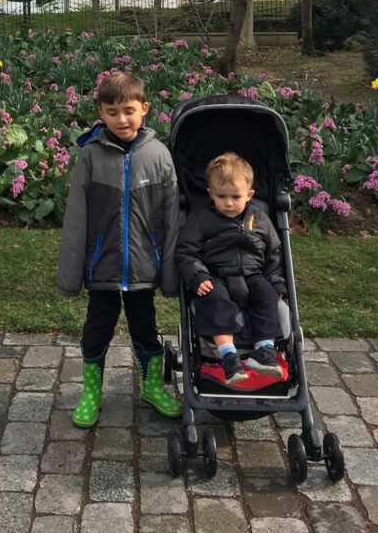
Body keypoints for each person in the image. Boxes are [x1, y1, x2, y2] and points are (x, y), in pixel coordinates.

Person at [57, 71, 182, 428]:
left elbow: (172, 218)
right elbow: (76, 218)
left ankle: (152, 386)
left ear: (144, 109)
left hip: (144, 267)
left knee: (145, 327)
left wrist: (170, 272)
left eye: (129, 110)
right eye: (112, 112)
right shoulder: (91, 156)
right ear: (101, 111)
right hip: (103, 267)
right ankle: (91, 392)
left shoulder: (159, 156)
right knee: (98, 327)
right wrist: (71, 275)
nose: (121, 119)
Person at [175, 152, 286, 385]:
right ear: (210, 194)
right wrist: (197, 276)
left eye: (235, 196)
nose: (228, 203)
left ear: (249, 195)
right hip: (217, 275)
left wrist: (275, 281)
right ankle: (228, 356)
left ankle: (264, 351)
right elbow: (186, 251)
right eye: (221, 196)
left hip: (252, 275)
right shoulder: (201, 218)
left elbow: (274, 252)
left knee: (268, 296)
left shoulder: (261, 220)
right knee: (212, 297)